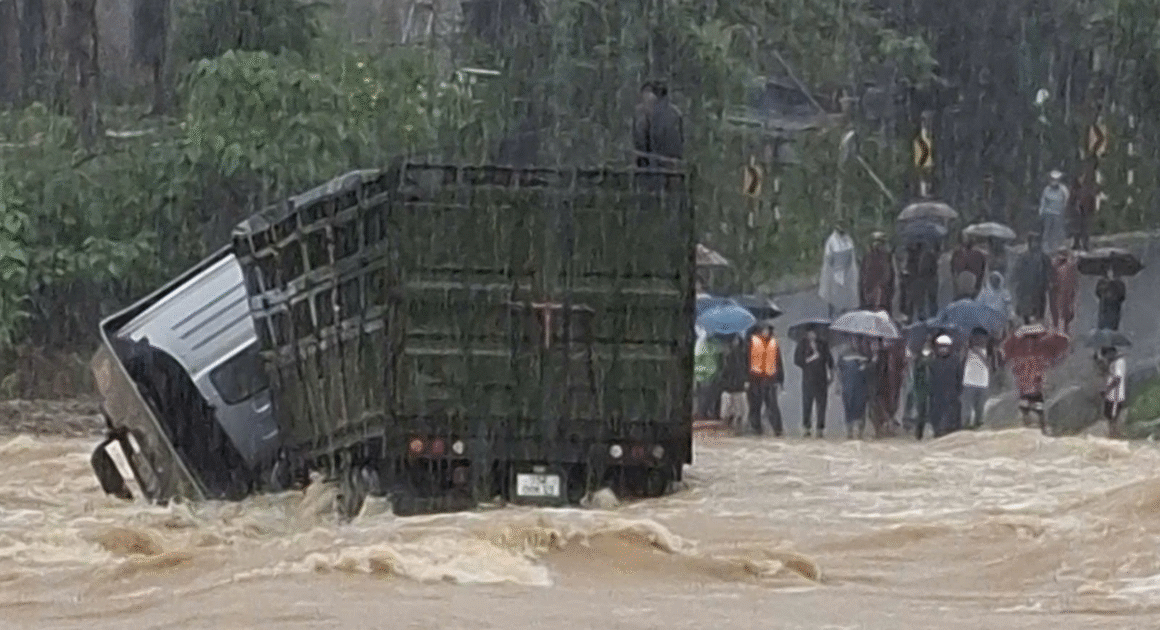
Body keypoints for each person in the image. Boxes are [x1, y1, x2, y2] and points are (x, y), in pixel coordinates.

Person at [794, 327, 833, 438]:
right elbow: (797, 360)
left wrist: (831, 373)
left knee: (822, 404)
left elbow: (829, 360)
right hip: (808, 379)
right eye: (810, 333)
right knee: (807, 404)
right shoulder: (802, 344)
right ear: (806, 334)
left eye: (814, 332)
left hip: (821, 379)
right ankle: (806, 427)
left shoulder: (823, 344)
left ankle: (820, 428)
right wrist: (810, 358)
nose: (812, 335)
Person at [747, 323, 784, 436]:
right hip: (755, 379)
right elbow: (746, 361)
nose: (767, 332)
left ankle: (778, 429)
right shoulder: (751, 343)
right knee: (755, 406)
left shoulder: (773, 344)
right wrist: (746, 379)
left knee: (772, 405)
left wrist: (780, 380)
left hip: (770, 380)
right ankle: (756, 428)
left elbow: (779, 363)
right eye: (765, 330)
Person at [819, 223, 859, 318]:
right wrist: (833, 271)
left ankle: (845, 315)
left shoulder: (848, 240)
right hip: (834, 272)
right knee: (834, 297)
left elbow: (851, 257)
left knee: (846, 297)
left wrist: (849, 271)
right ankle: (832, 316)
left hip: (847, 272)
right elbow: (829, 259)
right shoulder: (831, 241)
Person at [928, 334, 964, 437]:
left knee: (953, 412)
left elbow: (959, 376)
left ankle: (953, 430)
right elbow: (930, 377)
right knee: (936, 412)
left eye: (945, 346)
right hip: (937, 392)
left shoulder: (955, 360)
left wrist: (958, 390)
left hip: (952, 391)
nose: (943, 349)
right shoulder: (933, 361)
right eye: (941, 346)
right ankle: (937, 431)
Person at [1013, 232, 1052, 324]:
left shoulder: (1043, 257)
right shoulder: (1023, 256)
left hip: (1039, 287)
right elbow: (1017, 271)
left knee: (1038, 313)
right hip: (1026, 287)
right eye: (1032, 241)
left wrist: (1047, 283)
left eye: (1035, 241)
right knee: (1025, 312)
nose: (1034, 244)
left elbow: (1049, 271)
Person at [836, 343, 871, 440]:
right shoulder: (843, 356)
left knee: (860, 407)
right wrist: (838, 385)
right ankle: (850, 431)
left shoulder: (864, 355)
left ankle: (859, 431)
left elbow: (869, 372)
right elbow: (839, 371)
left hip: (861, 387)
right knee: (848, 407)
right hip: (848, 386)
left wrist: (865, 366)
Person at [718, 334, 749, 433]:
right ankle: (735, 427)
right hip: (735, 385)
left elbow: (726, 371)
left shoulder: (738, 354)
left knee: (735, 409)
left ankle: (734, 427)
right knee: (737, 409)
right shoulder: (740, 354)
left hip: (734, 385)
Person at [961, 330, 991, 429]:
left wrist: (978, 352)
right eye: (976, 337)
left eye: (981, 337)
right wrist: (967, 348)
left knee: (980, 407)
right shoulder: (967, 350)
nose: (979, 340)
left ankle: (978, 423)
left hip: (982, 382)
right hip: (969, 381)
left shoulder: (990, 351)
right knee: (967, 406)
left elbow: (991, 365)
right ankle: (966, 424)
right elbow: (961, 361)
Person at [859, 231, 895, 312]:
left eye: (880, 242)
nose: (877, 244)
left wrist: (883, 285)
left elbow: (888, 274)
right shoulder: (868, 256)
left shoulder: (886, 256)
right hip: (870, 293)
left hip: (883, 293)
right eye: (875, 241)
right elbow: (864, 275)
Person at [693, 328, 724, 419]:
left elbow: (719, 358)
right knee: (705, 395)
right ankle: (703, 414)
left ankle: (710, 413)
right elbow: (697, 359)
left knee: (710, 395)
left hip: (712, 374)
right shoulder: (701, 343)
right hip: (705, 375)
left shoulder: (715, 342)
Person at [1048, 247, 1079, 335]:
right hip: (1061, 292)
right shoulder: (1065, 266)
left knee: (1061, 315)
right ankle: (1061, 332)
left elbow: (1073, 281)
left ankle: (1060, 331)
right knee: (1061, 314)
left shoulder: (1066, 266)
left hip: (1063, 292)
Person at [907, 339, 934, 439]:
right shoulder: (918, 360)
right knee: (920, 412)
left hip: (931, 389)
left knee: (932, 410)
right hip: (920, 389)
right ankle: (919, 433)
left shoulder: (934, 358)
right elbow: (915, 374)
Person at [1039, 170, 1070, 253]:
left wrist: (1065, 211)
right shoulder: (1047, 189)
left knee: (1057, 232)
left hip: (1058, 214)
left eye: (1056, 179)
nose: (1054, 181)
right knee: (1047, 231)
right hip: (1048, 214)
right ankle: (1045, 249)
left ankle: (1056, 249)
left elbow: (1066, 200)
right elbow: (1043, 201)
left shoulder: (1063, 189)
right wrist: (1041, 212)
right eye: (1052, 179)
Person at [1069, 162, 1098, 251]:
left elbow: (1092, 199)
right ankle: (1076, 243)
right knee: (1077, 228)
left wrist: (1092, 209)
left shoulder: (1088, 188)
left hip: (1086, 211)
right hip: (1077, 212)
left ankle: (1085, 244)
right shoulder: (1075, 189)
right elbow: (1071, 199)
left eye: (1082, 177)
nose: (1081, 179)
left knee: (1085, 229)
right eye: (1080, 177)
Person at [1100, 346, 1127, 438]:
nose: (1106, 358)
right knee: (1109, 416)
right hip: (1111, 396)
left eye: (1106, 355)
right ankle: (1112, 435)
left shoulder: (1118, 362)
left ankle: (1113, 436)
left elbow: (1117, 378)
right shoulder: (1115, 362)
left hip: (1115, 396)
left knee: (1112, 417)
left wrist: (1107, 390)